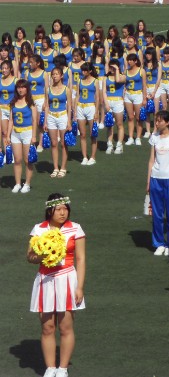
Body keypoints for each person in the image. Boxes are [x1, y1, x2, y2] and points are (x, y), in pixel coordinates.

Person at [27, 194, 86, 377]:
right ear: (49, 211)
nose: (63, 213)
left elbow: (80, 259)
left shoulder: (75, 228)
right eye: (58, 209)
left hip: (67, 280)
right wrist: (43, 255)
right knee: (47, 327)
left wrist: (79, 287)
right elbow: (30, 257)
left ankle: (62, 368)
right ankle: (50, 367)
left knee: (66, 327)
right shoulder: (39, 229)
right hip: (45, 281)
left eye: (65, 208)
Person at [146, 110, 169, 257]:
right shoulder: (154, 137)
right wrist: (148, 181)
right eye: (156, 120)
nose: (156, 123)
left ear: (167, 122)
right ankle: (159, 243)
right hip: (156, 178)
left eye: (159, 121)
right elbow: (151, 160)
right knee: (157, 214)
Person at [7, 78, 38, 193]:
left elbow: (34, 120)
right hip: (15, 133)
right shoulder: (13, 102)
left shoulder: (31, 103)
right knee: (17, 160)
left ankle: (27, 183)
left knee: (27, 160)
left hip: (27, 133)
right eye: (19, 87)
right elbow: (11, 120)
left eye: (23, 87)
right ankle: (17, 183)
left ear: (27, 89)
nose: (20, 90)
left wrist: (34, 136)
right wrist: (8, 135)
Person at [44, 67, 72, 178]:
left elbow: (69, 106)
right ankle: (55, 168)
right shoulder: (48, 89)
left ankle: (63, 167)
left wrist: (69, 121)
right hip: (51, 116)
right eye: (53, 74)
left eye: (57, 74)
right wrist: (45, 121)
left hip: (62, 116)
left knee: (63, 143)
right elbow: (47, 105)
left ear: (61, 76)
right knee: (54, 143)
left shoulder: (66, 89)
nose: (54, 76)